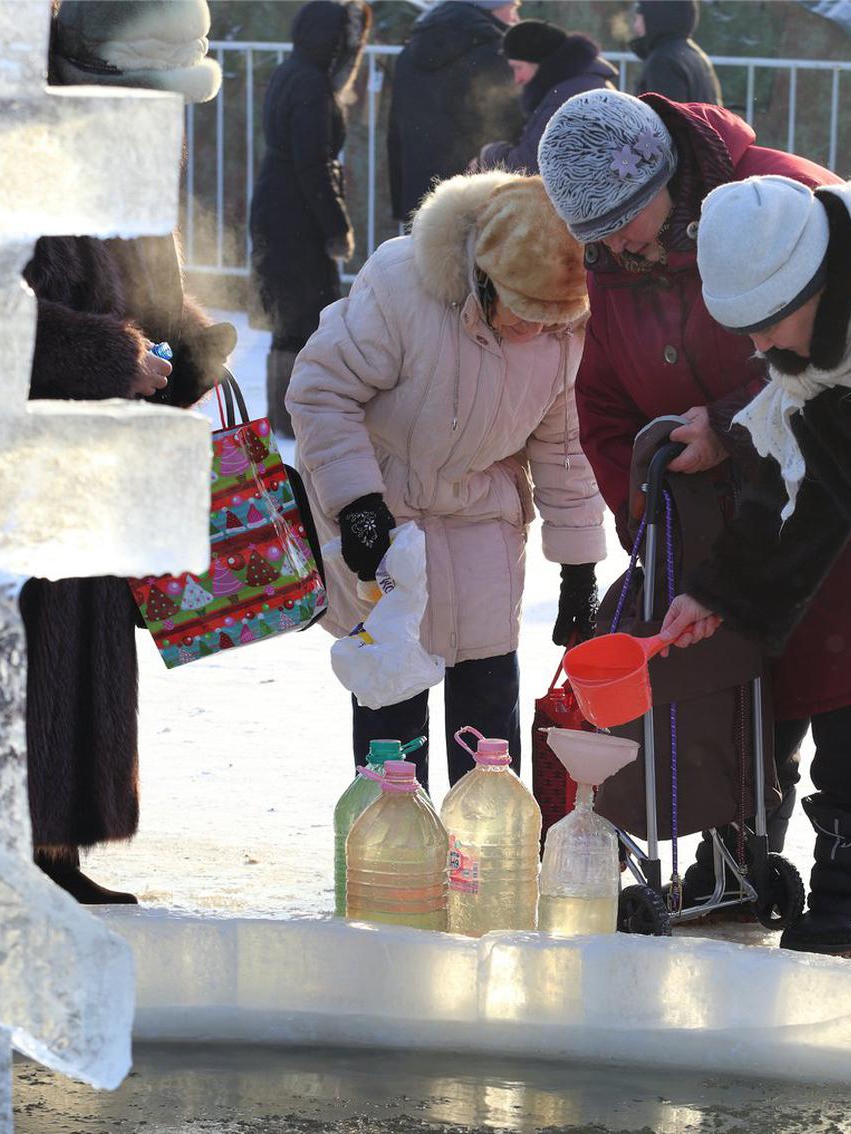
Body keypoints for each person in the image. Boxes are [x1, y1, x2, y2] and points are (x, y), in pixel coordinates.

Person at [536, 89, 851, 916]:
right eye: (594, 235)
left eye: (623, 219)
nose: (613, 245)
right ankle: (741, 859)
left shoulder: (782, 203)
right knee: (735, 696)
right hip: (738, 523)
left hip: (837, 523)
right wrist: (665, 538)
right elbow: (607, 406)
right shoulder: (617, 264)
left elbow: (812, 376)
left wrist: (731, 425)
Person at [286, 172, 606, 787]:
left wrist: (579, 568)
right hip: (384, 517)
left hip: (483, 518)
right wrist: (356, 504)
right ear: (484, 278)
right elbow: (322, 392)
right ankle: (392, 835)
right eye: (524, 313)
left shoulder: (567, 329)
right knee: (392, 713)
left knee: (489, 717)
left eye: (552, 320)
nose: (536, 332)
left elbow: (566, 447)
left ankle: (483, 843)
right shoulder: (400, 285)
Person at [22, 0, 237, 905]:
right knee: (24, 652)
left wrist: (191, 348)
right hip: (18, 463)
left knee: (81, 651)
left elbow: (149, 296)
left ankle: (53, 852)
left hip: (93, 463)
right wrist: (112, 355)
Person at [659, 173, 851, 957]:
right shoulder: (819, 360)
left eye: (767, 325)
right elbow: (802, 493)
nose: (758, 350)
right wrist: (719, 592)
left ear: (816, 284)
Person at [249, 0, 371, 438]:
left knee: (289, 319)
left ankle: (286, 417)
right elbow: (313, 163)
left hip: (277, 205)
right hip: (297, 215)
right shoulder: (312, 84)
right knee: (306, 319)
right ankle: (298, 417)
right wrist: (337, 227)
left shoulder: (290, 70)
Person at [387, 0, 524, 225]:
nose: (516, 20)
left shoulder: (408, 53)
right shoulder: (495, 54)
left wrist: (401, 198)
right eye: (512, 10)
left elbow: (397, 129)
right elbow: (510, 124)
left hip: (421, 194)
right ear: (489, 8)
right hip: (476, 195)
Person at [477, 19, 617, 175]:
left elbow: (528, 165)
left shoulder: (564, 97)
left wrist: (487, 156)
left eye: (518, 67)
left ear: (540, 62)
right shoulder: (579, 83)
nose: (517, 79)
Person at [630, 0, 722, 106]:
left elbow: (666, 114)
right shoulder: (696, 55)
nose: (636, 26)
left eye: (639, 18)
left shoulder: (663, 61)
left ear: (655, 18)